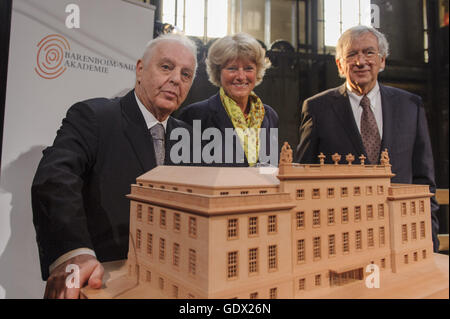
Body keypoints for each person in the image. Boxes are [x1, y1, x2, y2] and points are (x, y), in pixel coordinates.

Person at [31, 33, 198, 298]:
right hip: (100, 284)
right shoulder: (95, 116)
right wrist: (74, 253)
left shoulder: (190, 137)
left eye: (186, 74)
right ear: (140, 70)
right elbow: (55, 179)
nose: (176, 79)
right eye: (166, 67)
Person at [294, 25, 440, 252]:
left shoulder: (411, 105)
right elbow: (302, 180)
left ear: (382, 60)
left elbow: (424, 180)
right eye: (351, 54)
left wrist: (429, 238)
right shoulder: (317, 108)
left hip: (401, 235)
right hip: (341, 240)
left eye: (369, 52)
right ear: (340, 65)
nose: (360, 61)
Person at [178, 33, 278, 167]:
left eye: (248, 68)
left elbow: (271, 168)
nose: (241, 76)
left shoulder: (269, 115)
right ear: (218, 72)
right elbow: (186, 174)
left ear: (258, 71)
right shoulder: (195, 115)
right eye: (232, 68)